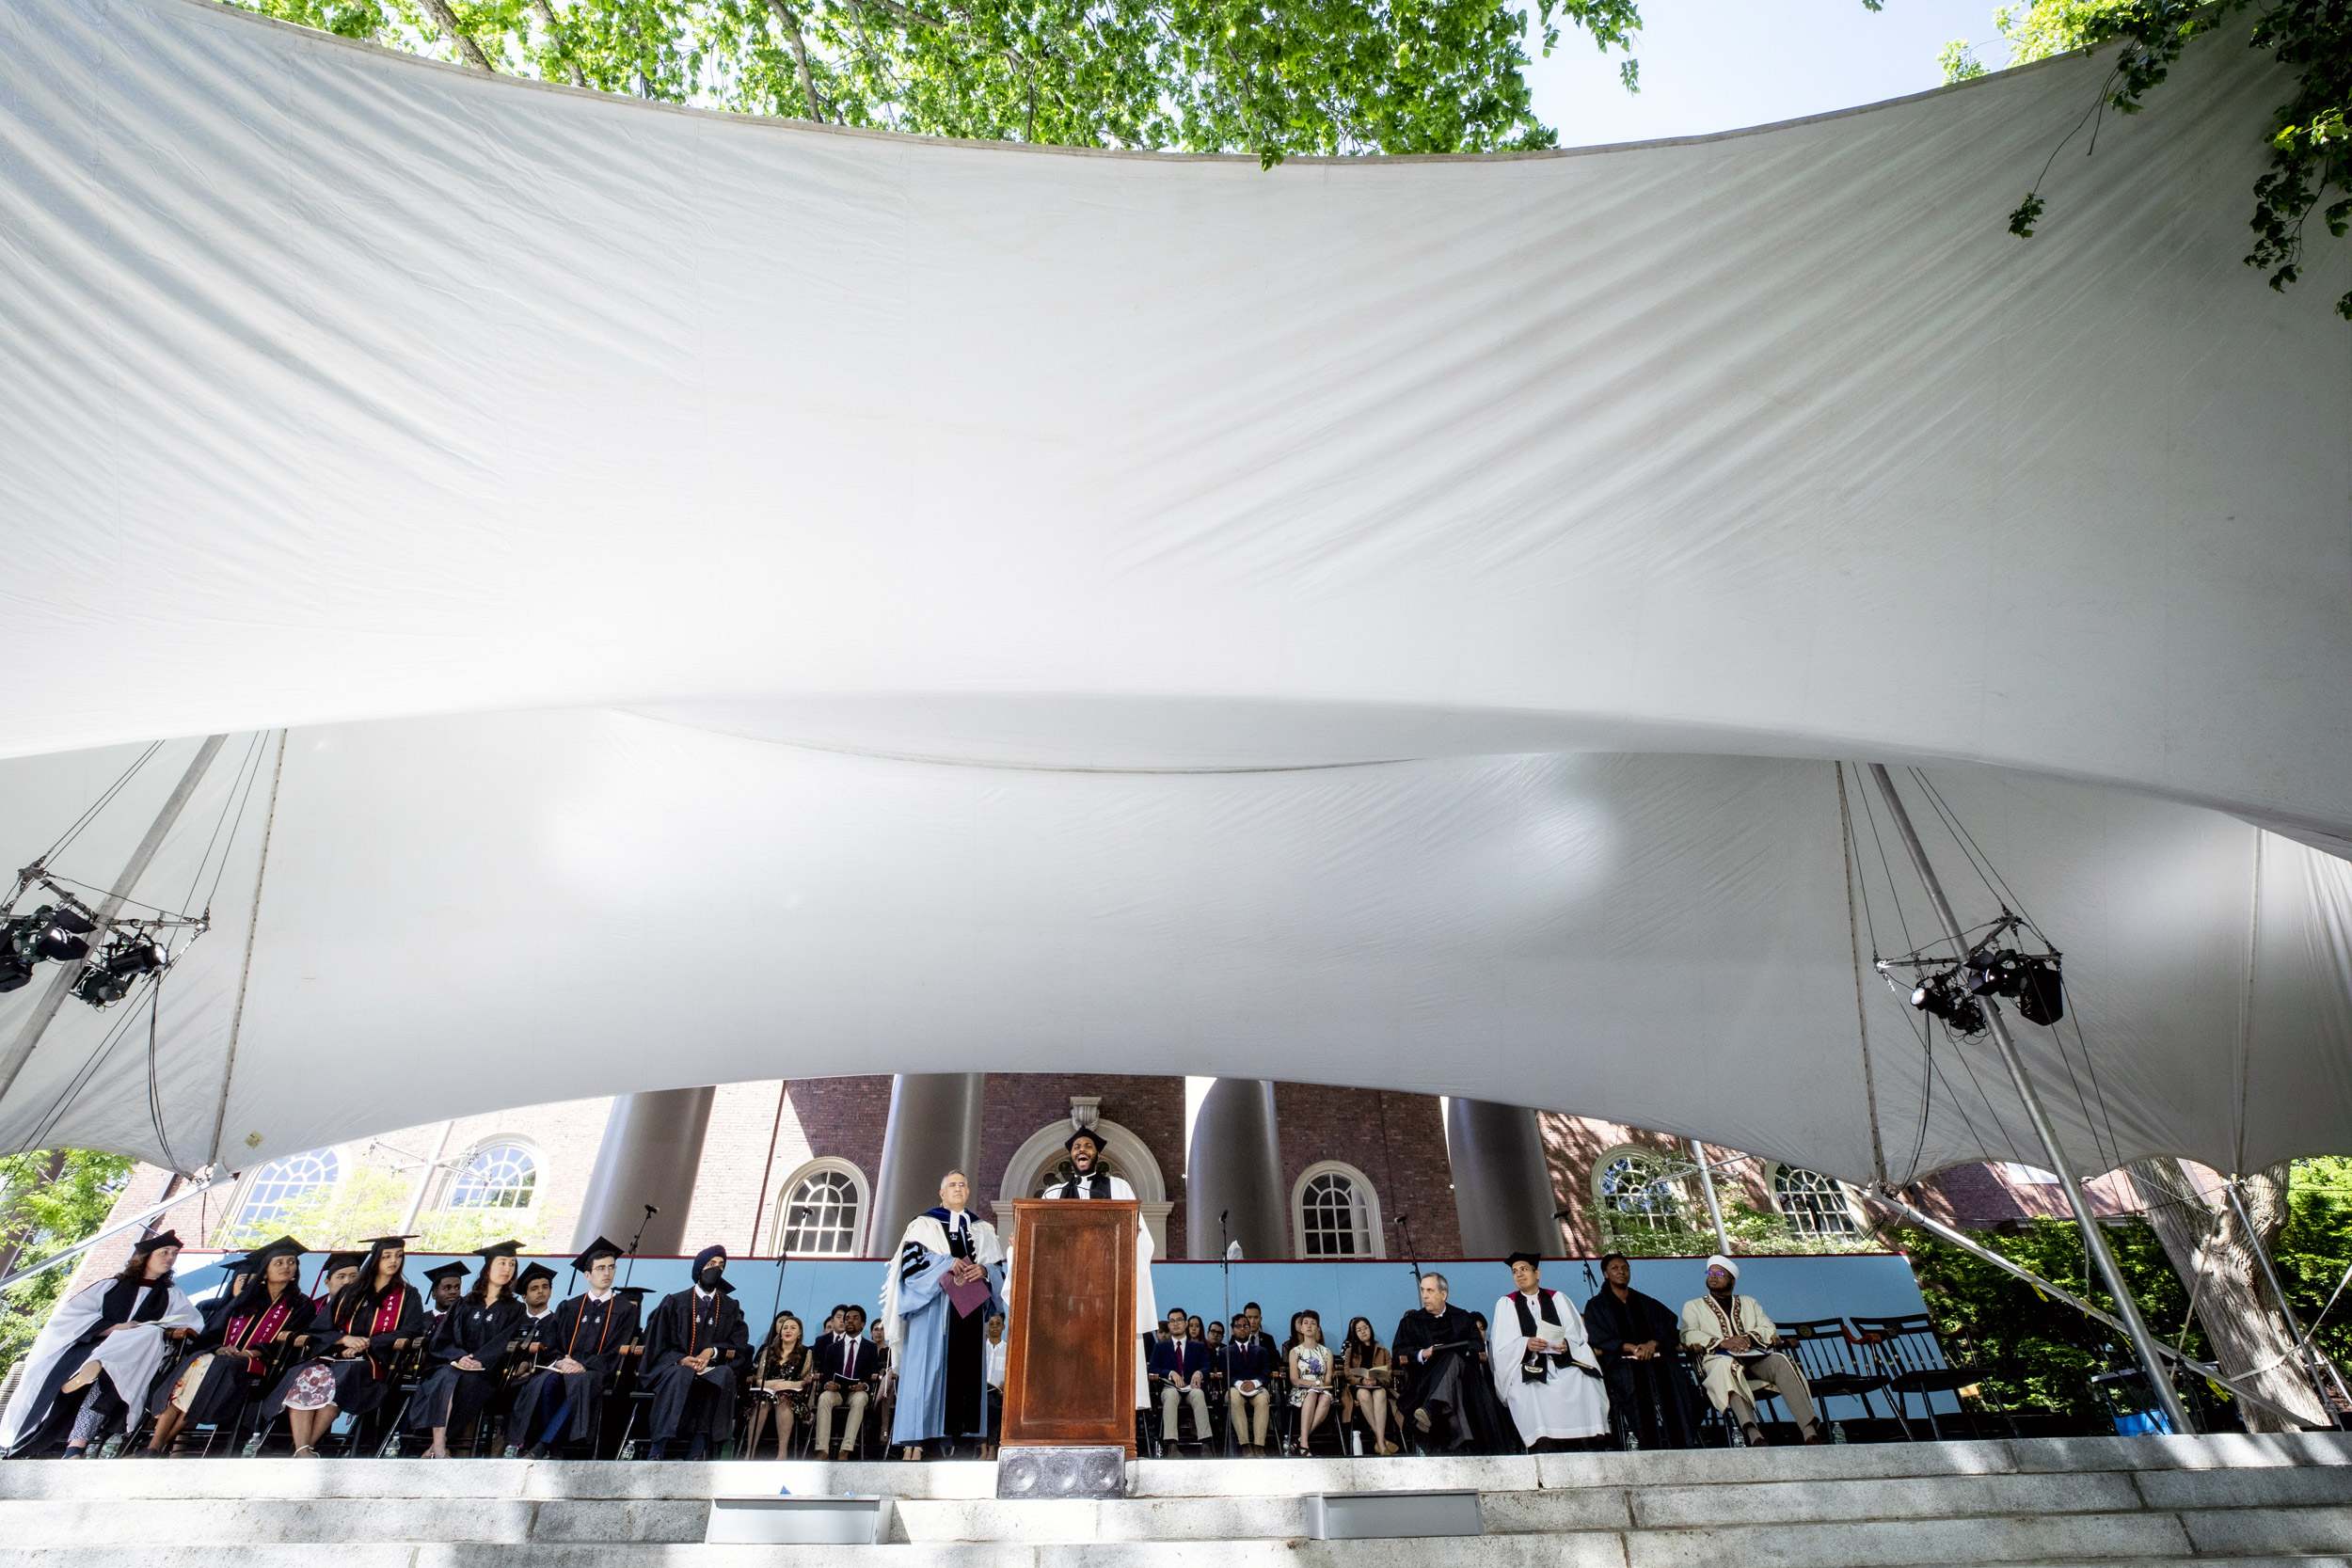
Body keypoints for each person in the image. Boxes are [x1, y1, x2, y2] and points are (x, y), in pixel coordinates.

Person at [1, 1230, 202, 1458]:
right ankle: (76, 1438)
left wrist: (156, 1330)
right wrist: (115, 1328)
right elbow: (70, 1318)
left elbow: (192, 1325)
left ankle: (77, 1438)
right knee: (113, 1375)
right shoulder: (110, 1287)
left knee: (148, 1334)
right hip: (90, 1351)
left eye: (174, 1254)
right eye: (164, 1252)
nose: (170, 1257)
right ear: (145, 1256)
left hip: (136, 1358)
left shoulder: (172, 1295)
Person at [147, 1235, 313, 1455]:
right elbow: (212, 1332)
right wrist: (219, 1348)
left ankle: (157, 1445)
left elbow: (292, 1341)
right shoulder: (244, 1300)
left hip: (264, 1365)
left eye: (292, 1263)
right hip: (221, 1360)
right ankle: (156, 1446)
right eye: (279, 1263)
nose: (286, 1267)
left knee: (212, 1368)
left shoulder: (302, 1305)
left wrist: (253, 1352)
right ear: (265, 1270)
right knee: (197, 1363)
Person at [882, 1170, 1007, 1461]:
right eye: (952, 1184)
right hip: (934, 1313)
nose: (959, 1188)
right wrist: (944, 1264)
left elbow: (1001, 1270)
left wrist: (985, 1271)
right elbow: (910, 1269)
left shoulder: (983, 1230)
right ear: (942, 1193)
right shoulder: (923, 1225)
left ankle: (964, 1443)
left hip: (970, 1315)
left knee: (967, 1375)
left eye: (963, 1184)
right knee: (931, 1372)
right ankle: (924, 1440)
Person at [261, 1235, 421, 1457]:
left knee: (338, 1379)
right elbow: (317, 1330)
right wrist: (343, 1339)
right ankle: (302, 1449)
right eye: (386, 1256)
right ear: (375, 1259)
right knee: (305, 1374)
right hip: (335, 1356)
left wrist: (367, 1343)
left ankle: (305, 1448)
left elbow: (411, 1331)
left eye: (398, 1256)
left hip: (373, 1362)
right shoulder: (350, 1292)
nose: (393, 1260)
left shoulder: (408, 1295)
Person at [1037, 1126, 1160, 1405]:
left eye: (1089, 1146)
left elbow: (1141, 1237)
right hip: (1067, 1292)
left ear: (1097, 1153)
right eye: (1077, 1146)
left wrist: (1132, 1236)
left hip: (1108, 1287)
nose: (1083, 1149)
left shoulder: (1118, 1187)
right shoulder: (1054, 1194)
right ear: (1070, 1154)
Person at [508, 1237, 640, 1458]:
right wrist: (560, 1361)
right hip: (564, 1366)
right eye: (600, 1268)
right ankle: (554, 1447)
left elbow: (616, 1348)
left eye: (611, 1267)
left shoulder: (625, 1310)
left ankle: (544, 1445)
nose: (607, 1272)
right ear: (587, 1275)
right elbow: (552, 1343)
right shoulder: (570, 1306)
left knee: (579, 1382)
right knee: (547, 1382)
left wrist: (581, 1364)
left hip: (597, 1372)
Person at [1678, 1254, 1821, 1446]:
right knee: (1727, 1368)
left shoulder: (1749, 1302)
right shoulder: (1693, 1306)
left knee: (1781, 1360)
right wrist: (1722, 1343)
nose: (1713, 1276)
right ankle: (1754, 1434)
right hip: (1719, 1361)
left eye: (1720, 1273)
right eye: (1710, 1272)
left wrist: (1747, 1338)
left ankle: (1809, 1431)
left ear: (1732, 1281)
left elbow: (1768, 1327)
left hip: (1755, 1359)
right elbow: (1687, 1334)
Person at [406, 1241, 527, 1458]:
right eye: (502, 1263)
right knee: (446, 1376)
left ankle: (437, 1447)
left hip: (487, 1371)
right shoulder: (464, 1303)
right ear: (488, 1267)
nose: (507, 1269)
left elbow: (503, 1341)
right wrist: (460, 1357)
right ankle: (440, 1446)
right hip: (454, 1364)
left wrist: (480, 1360)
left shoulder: (516, 1308)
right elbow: (442, 1339)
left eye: (512, 1264)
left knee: (466, 1381)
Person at [1490, 1252, 1608, 1453]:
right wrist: (1526, 1344)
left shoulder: (1558, 1298)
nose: (1519, 1275)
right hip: (1530, 1363)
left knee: (1583, 1379)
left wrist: (1566, 1344)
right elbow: (1501, 1347)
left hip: (1561, 1361)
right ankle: (1543, 1442)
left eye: (1524, 1269)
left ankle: (1589, 1440)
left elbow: (1578, 1335)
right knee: (1528, 1387)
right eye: (1514, 1272)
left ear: (1537, 1274)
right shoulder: (1507, 1304)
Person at [640, 1244, 749, 1460]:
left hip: (710, 1367)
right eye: (711, 1264)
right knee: (682, 1374)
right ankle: (657, 1449)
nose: (716, 1269)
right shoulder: (675, 1301)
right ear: (699, 1269)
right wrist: (681, 1360)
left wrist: (712, 1351)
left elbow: (738, 1342)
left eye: (721, 1265)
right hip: (675, 1366)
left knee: (723, 1376)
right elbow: (657, 1342)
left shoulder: (729, 1305)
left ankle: (697, 1450)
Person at [1583, 1252, 1696, 1449]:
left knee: (1681, 1384)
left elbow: (1669, 1323)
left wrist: (1652, 1344)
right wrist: (1631, 1347)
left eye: (1625, 1268)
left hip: (1655, 1358)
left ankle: (1684, 1442)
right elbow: (1598, 1337)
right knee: (1633, 1383)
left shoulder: (1645, 1301)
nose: (1621, 1272)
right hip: (1622, 1363)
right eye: (1615, 1268)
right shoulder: (1597, 1306)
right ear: (1605, 1274)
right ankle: (1647, 1444)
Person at [1391, 1273, 1511, 1453]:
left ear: (1444, 1294)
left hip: (1466, 1378)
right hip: (1425, 1380)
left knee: (1453, 1358)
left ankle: (1432, 1408)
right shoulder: (1410, 1322)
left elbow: (1477, 1345)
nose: (1424, 1295)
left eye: (1430, 1290)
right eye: (1422, 1290)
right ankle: (1460, 1443)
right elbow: (1399, 1352)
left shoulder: (1463, 1317)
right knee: (1453, 1380)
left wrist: (1458, 1351)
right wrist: (1424, 1353)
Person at [812, 1303, 882, 1459]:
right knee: (824, 1397)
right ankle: (823, 1449)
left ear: (862, 1324)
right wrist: (827, 1384)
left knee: (859, 1399)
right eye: (847, 1318)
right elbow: (826, 1375)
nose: (849, 1321)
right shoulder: (832, 1348)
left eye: (854, 1318)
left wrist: (863, 1385)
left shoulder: (870, 1348)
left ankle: (846, 1449)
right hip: (836, 1392)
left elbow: (872, 1376)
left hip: (856, 1392)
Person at [743, 1311, 814, 1460]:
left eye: (793, 1328)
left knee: (783, 1399)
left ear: (799, 1333)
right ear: (780, 1332)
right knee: (761, 1403)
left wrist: (789, 1384)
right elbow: (758, 1378)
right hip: (767, 1392)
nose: (788, 1330)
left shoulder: (806, 1353)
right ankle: (750, 1452)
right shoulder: (768, 1351)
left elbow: (806, 1380)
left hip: (792, 1395)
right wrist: (769, 1384)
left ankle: (782, 1453)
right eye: (785, 1327)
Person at [1149, 1306, 1212, 1449]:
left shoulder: (1198, 1347)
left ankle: (1206, 1444)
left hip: (1191, 1387)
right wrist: (1170, 1373)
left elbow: (1207, 1367)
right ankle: (1172, 1445)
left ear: (1186, 1323)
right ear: (1169, 1324)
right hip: (1170, 1387)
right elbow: (1153, 1369)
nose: (1175, 1324)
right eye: (1172, 1321)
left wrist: (1199, 1372)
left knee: (1198, 1394)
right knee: (1170, 1396)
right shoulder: (1160, 1347)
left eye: (1179, 1320)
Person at [1223, 1307, 1277, 1455]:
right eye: (1239, 1326)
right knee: (1234, 1397)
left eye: (1245, 1326)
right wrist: (1240, 1383)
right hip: (1235, 1388)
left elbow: (1266, 1372)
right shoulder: (1225, 1352)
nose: (1242, 1329)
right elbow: (1226, 1374)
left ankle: (1259, 1446)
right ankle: (1245, 1445)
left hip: (1256, 1387)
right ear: (1233, 1330)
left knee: (1263, 1398)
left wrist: (1255, 1382)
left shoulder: (1261, 1351)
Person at [1339, 1317, 1396, 1455]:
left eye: (1365, 1328)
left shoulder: (1383, 1351)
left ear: (1370, 1329)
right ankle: (1382, 1442)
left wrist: (1376, 1381)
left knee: (1380, 1393)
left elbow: (1388, 1375)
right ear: (1355, 1334)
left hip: (1378, 1385)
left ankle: (1379, 1440)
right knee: (1364, 1394)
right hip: (1358, 1387)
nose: (1363, 1332)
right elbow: (1348, 1374)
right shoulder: (1350, 1352)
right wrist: (1361, 1381)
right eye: (1359, 1330)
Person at [1287, 1310, 1335, 1455]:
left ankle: (1301, 1440)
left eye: (1313, 1323)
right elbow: (1295, 1380)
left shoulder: (1327, 1352)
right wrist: (1313, 1384)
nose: (1309, 1326)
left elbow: (1327, 1380)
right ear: (1301, 1328)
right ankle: (1305, 1444)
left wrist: (1319, 1385)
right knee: (1312, 1394)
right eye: (1306, 1323)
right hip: (1301, 1390)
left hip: (1322, 1389)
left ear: (1317, 1328)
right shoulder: (1295, 1352)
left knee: (1326, 1397)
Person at [980, 1312, 1007, 1458]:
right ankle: (983, 1448)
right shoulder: (982, 1349)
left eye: (998, 1323)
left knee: (991, 1406)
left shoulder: (1007, 1349)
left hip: (998, 1392)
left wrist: (1003, 1386)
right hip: (982, 1391)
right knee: (981, 1407)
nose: (994, 1327)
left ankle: (991, 1448)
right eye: (991, 1324)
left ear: (1003, 1327)